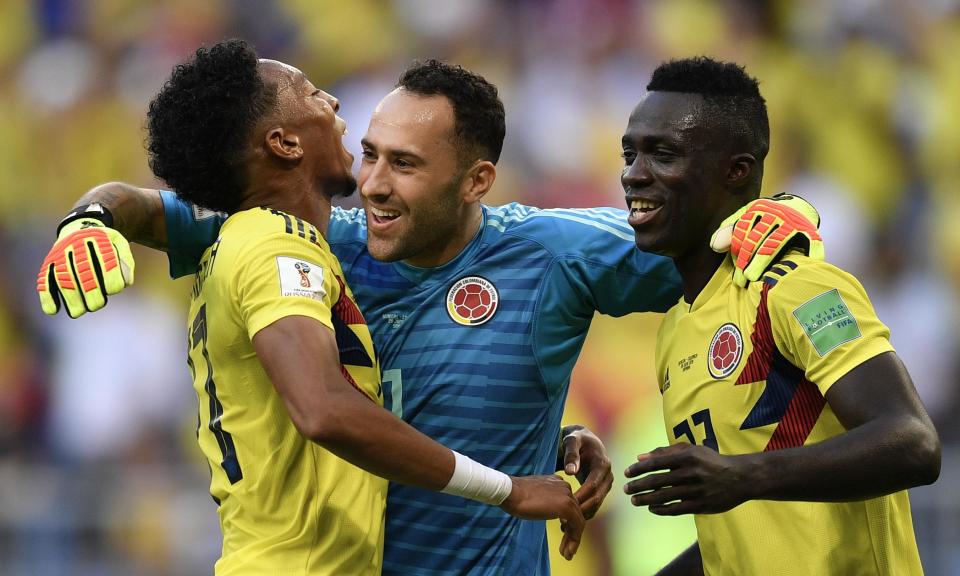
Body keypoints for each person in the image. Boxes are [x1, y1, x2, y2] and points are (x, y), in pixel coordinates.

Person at [37, 58, 820, 574]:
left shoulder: (555, 253)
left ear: (476, 180)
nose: (373, 181)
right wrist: (87, 218)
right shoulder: (302, 244)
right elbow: (141, 204)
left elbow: (712, 234)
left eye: (404, 164)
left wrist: (783, 209)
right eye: (371, 152)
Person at [45, 39, 592, 575]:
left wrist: (552, 440)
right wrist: (509, 490)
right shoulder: (274, 244)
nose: (332, 102)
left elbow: (143, 207)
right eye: (309, 93)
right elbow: (325, 409)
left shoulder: (255, 241)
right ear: (284, 144)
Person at [619, 56, 940, 575]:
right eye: (630, 152)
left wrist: (744, 475)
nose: (633, 174)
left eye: (664, 154)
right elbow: (745, 529)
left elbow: (913, 442)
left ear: (737, 170)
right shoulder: (676, 331)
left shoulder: (795, 287)